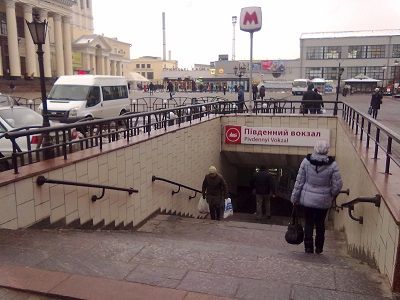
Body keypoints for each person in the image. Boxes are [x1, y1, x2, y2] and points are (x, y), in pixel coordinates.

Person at [290, 140, 343, 254]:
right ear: (327, 150)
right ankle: (319, 248)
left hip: (307, 199)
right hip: (323, 201)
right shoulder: (332, 165)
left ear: (315, 148)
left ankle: (308, 247)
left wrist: (294, 198)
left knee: (308, 222)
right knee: (320, 223)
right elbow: (338, 185)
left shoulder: (306, 162)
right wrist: (332, 194)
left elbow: (299, 182)